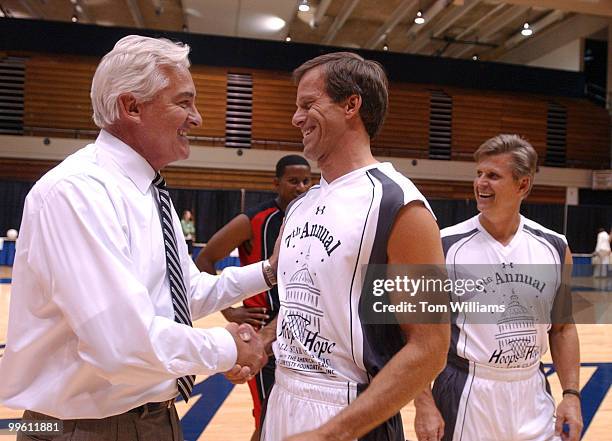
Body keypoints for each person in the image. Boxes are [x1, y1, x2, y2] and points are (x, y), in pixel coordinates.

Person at [0, 35, 273, 441]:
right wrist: (227, 347)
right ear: (131, 107)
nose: (197, 118)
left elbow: (186, 294)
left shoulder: (149, 192)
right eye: (184, 102)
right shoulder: (78, 191)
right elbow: (122, 343)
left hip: (151, 418)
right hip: (81, 429)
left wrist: (270, 271)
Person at [259, 52, 449, 441]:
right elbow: (308, 305)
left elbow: (431, 347)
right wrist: (262, 340)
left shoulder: (400, 206)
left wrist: (332, 433)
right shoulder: (300, 205)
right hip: (283, 396)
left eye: (308, 104)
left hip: (351, 416)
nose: (296, 118)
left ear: (351, 104)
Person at [413, 134, 583, 441]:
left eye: (493, 175)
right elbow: (416, 332)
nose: (480, 183)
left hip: (532, 390)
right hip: (467, 389)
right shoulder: (445, 245)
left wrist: (571, 394)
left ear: (522, 185)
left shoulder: (555, 247)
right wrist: (423, 403)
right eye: (478, 174)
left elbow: (562, 329)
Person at [196, 154, 311, 439]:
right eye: (293, 181)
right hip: (263, 339)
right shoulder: (253, 220)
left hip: (303, 337)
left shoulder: (314, 218)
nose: (300, 187)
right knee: (267, 420)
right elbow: (206, 259)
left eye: (306, 181)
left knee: (291, 420)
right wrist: (230, 311)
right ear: (276, 183)